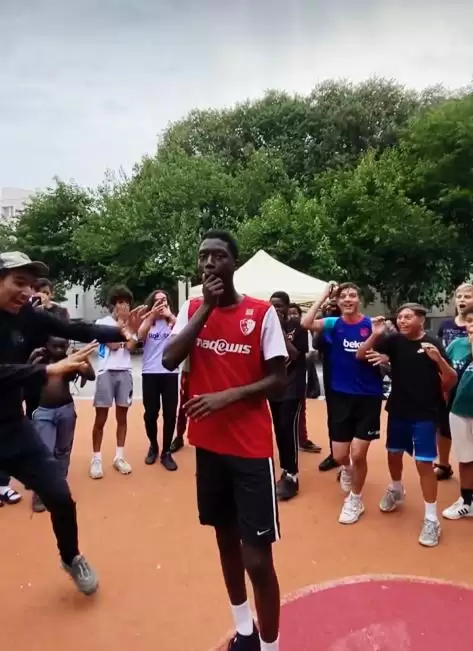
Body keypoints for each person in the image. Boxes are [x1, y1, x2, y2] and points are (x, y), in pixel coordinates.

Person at [162, 231, 287, 651]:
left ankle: (270, 647)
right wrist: (205, 312)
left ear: (235, 262)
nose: (209, 264)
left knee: (257, 559)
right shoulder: (193, 308)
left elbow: (278, 380)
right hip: (209, 449)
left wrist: (228, 396)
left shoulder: (261, 312)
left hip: (250, 452)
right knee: (224, 541)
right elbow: (168, 358)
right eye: (203, 258)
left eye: (218, 256)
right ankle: (245, 632)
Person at [0, 251, 141, 593]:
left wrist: (116, 332)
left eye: (30, 284)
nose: (26, 291)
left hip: (11, 428)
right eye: (18, 282)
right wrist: (46, 370)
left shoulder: (28, 317)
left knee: (60, 497)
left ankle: (71, 556)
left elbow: (71, 326)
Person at [357, 304, 457, 547]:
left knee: (423, 463)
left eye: (407, 317)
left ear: (421, 320)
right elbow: (361, 354)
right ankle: (396, 489)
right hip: (398, 409)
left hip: (425, 412)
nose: (401, 321)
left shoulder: (433, 343)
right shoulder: (393, 340)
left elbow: (451, 379)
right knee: (393, 454)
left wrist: (438, 360)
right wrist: (377, 334)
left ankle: (432, 519)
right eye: (399, 317)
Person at [302, 282, 383, 524]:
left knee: (358, 454)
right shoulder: (333, 324)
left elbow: (392, 350)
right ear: (337, 302)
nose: (348, 299)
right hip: (340, 395)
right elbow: (306, 323)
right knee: (340, 456)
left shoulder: (371, 325)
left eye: (353, 295)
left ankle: (355, 499)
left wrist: (385, 354)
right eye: (343, 296)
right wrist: (324, 295)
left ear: (359, 299)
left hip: (369, 396)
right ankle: (346, 470)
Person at [29, 336, 95, 513]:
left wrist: (84, 359)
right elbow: (25, 380)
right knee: (44, 452)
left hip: (66, 410)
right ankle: (39, 492)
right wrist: (31, 360)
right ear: (46, 345)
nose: (59, 349)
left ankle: (58, 484)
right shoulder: (41, 361)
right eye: (55, 345)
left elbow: (91, 376)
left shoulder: (69, 361)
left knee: (63, 450)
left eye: (63, 345)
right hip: (44, 412)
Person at [90, 285, 138, 479]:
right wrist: (121, 330)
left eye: (126, 302)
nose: (123, 306)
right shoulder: (103, 322)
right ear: (113, 304)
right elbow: (111, 344)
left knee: (122, 418)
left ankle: (119, 456)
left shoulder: (131, 324)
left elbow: (131, 346)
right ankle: (96, 458)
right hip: (105, 372)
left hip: (124, 373)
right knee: (100, 418)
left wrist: (126, 337)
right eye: (120, 302)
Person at [268, 292, 308, 501]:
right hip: (274, 389)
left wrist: (279, 334)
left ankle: (292, 476)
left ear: (286, 307)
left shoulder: (297, 327)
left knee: (288, 430)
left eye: (280, 306)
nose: (275, 309)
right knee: (279, 430)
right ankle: (285, 470)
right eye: (272, 305)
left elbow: (295, 354)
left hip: (293, 388)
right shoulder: (265, 327)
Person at [435, 283, 473, 481]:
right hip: (450, 380)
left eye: (467, 296)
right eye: (459, 296)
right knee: (443, 426)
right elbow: (441, 351)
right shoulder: (446, 325)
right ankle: (443, 464)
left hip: (468, 383)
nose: (462, 300)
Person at [138, 289, 178, 471]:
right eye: (157, 301)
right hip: (150, 373)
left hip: (170, 373)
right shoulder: (149, 322)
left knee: (170, 414)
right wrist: (151, 315)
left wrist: (170, 315)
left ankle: (166, 452)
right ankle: (153, 446)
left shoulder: (173, 323)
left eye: (164, 300)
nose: (161, 304)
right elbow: (139, 336)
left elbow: (183, 334)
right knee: (150, 414)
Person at [303, 286, 341, 472]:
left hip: (353, 375)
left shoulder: (354, 322)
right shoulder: (326, 324)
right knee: (334, 416)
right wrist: (323, 313)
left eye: (337, 300)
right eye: (332, 301)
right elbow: (317, 344)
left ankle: (347, 456)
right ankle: (336, 453)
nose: (334, 304)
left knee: (351, 417)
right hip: (331, 373)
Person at [443, 304, 473, 519]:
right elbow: (445, 374)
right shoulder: (457, 345)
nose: (472, 326)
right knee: (465, 459)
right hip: (459, 410)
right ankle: (467, 501)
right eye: (469, 321)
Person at [287, 302, 321, 454]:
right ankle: (289, 439)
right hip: (280, 377)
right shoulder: (279, 328)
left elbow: (311, 353)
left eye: (295, 313)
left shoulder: (303, 330)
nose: (292, 316)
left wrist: (299, 356)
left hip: (298, 376)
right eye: (290, 313)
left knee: (300, 409)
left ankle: (302, 439)